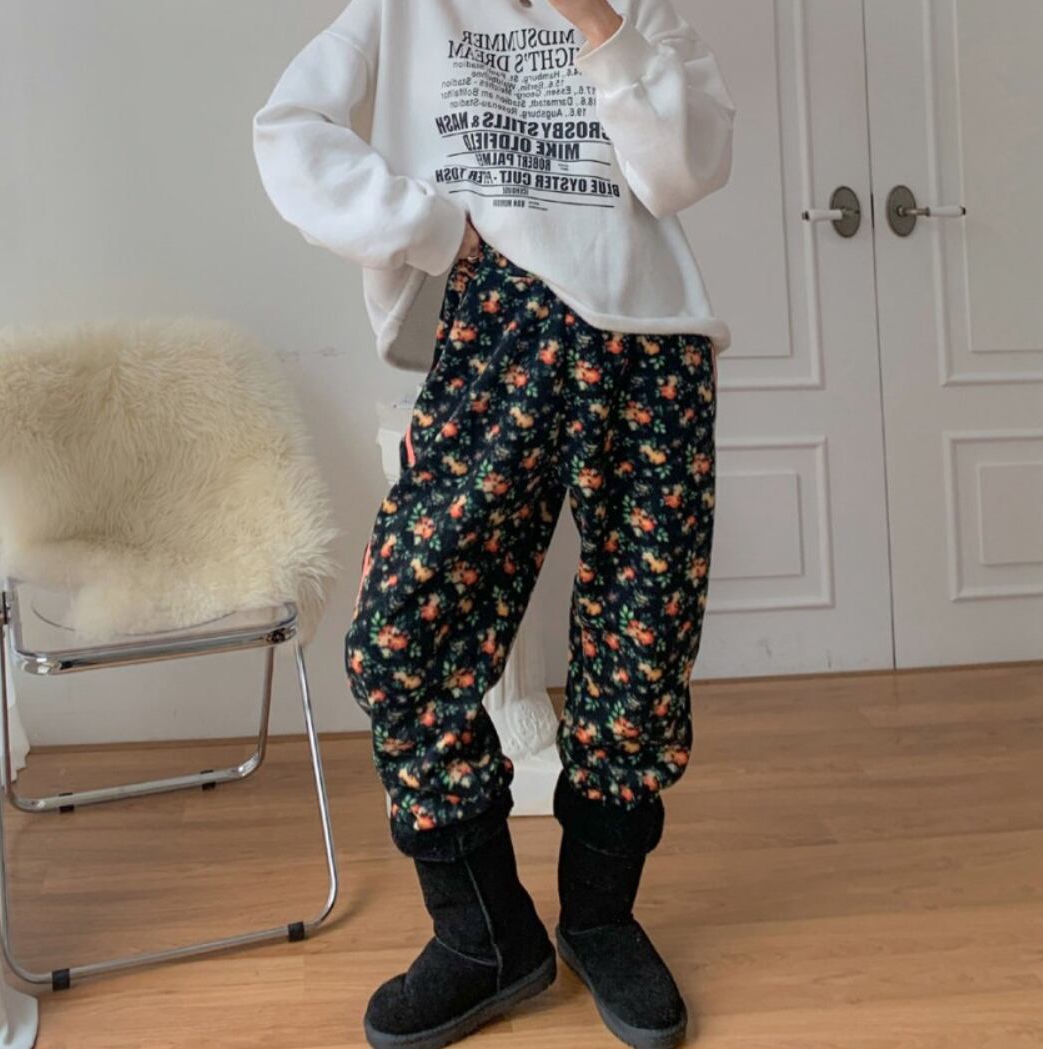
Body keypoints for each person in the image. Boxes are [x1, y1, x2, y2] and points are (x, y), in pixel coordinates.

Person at [253, 2, 736, 1046]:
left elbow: (685, 168)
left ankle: (601, 918)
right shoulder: (404, 7)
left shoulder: (636, 8)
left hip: (649, 343)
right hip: (496, 324)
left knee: (643, 652)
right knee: (401, 635)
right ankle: (483, 933)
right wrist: (431, 228)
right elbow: (288, 130)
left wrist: (598, 23)